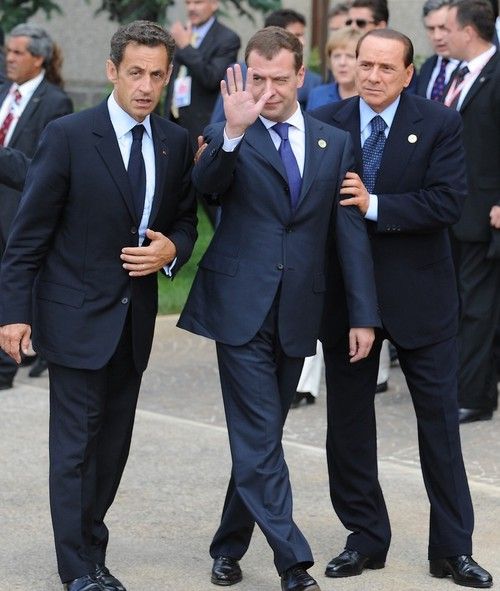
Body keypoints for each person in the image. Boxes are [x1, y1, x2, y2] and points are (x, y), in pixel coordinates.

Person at [178, 26, 379, 591]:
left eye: (279, 80)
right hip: (239, 306)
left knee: (260, 437)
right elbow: (206, 188)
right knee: (259, 435)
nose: (267, 90)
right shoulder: (228, 130)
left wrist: (362, 314)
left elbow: (347, 232)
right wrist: (233, 133)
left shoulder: (333, 141)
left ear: (301, 77)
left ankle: (227, 546)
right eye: (257, 79)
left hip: (298, 308)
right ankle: (293, 560)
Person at [0, 20, 197, 591]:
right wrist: (13, 312)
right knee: (75, 450)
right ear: (112, 70)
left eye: (156, 75)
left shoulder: (175, 141)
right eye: (135, 72)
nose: (145, 86)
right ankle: (77, 569)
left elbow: (185, 220)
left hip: (133, 323)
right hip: (74, 318)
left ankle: (92, 550)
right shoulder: (67, 135)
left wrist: (172, 249)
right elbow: (29, 235)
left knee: (111, 449)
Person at [312, 28, 492, 588]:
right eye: (365, 64)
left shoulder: (439, 123)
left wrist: (373, 204)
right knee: (348, 427)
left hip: (421, 298)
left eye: (386, 68)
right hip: (347, 301)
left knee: (439, 426)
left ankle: (453, 550)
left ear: (409, 74)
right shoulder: (326, 123)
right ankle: (365, 538)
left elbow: (446, 202)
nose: (372, 76)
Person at [0, 23, 73, 388]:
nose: (9, 58)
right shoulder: (3, 90)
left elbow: (42, 171)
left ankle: (4, 368)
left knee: (11, 283)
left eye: (18, 52)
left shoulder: (56, 103)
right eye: (7, 51)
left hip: (17, 210)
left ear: (38, 58)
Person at [443, 0, 500, 423]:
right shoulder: (459, 74)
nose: (442, 36)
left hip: (485, 213)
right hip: (455, 210)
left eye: (448, 28)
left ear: (468, 31)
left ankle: (476, 396)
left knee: (479, 307)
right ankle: (460, 385)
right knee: (460, 303)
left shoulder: (496, 75)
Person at [165, 0, 240, 149]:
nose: (191, 8)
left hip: (203, 128)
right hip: (173, 123)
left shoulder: (227, 38)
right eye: (188, 3)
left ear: (214, 4)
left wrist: (186, 47)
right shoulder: (181, 34)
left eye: (198, 2)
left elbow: (211, 78)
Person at [306, 27, 361, 110]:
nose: (342, 62)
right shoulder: (317, 96)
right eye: (337, 56)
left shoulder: (371, 98)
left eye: (350, 56)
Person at [417, 0, 460, 100]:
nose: (437, 36)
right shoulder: (427, 66)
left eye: (443, 27)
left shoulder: (473, 66)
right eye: (431, 29)